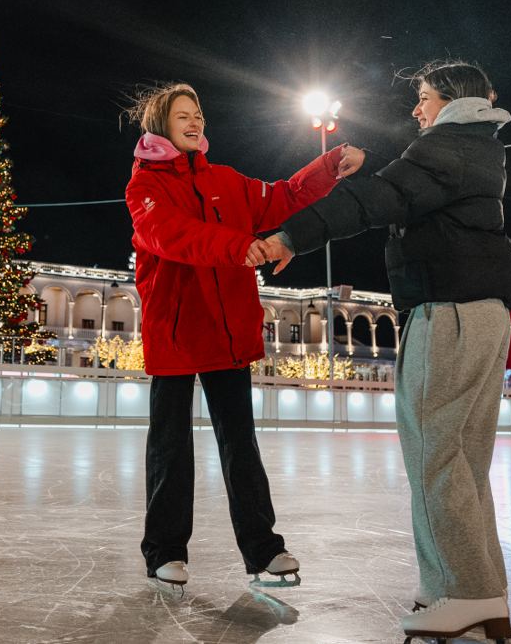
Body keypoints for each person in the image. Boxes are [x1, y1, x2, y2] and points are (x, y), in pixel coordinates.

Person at [261, 61, 511, 641]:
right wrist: (375, 164)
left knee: (436, 456)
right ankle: (477, 592)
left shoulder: (447, 146)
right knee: (463, 461)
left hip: (448, 309)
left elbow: (378, 198)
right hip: (483, 310)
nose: (416, 109)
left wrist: (291, 236)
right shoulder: (475, 147)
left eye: (424, 97)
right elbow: (415, 187)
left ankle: (464, 592)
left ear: (451, 100)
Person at [124, 82, 363, 590]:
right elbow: (172, 235)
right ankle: (165, 551)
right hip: (176, 331)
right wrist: (240, 247)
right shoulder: (144, 187)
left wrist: (329, 165)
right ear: (161, 126)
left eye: (198, 114)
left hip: (227, 330)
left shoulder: (226, 181)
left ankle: (263, 550)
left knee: (241, 444)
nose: (195, 122)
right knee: (170, 445)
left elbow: (284, 197)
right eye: (183, 115)